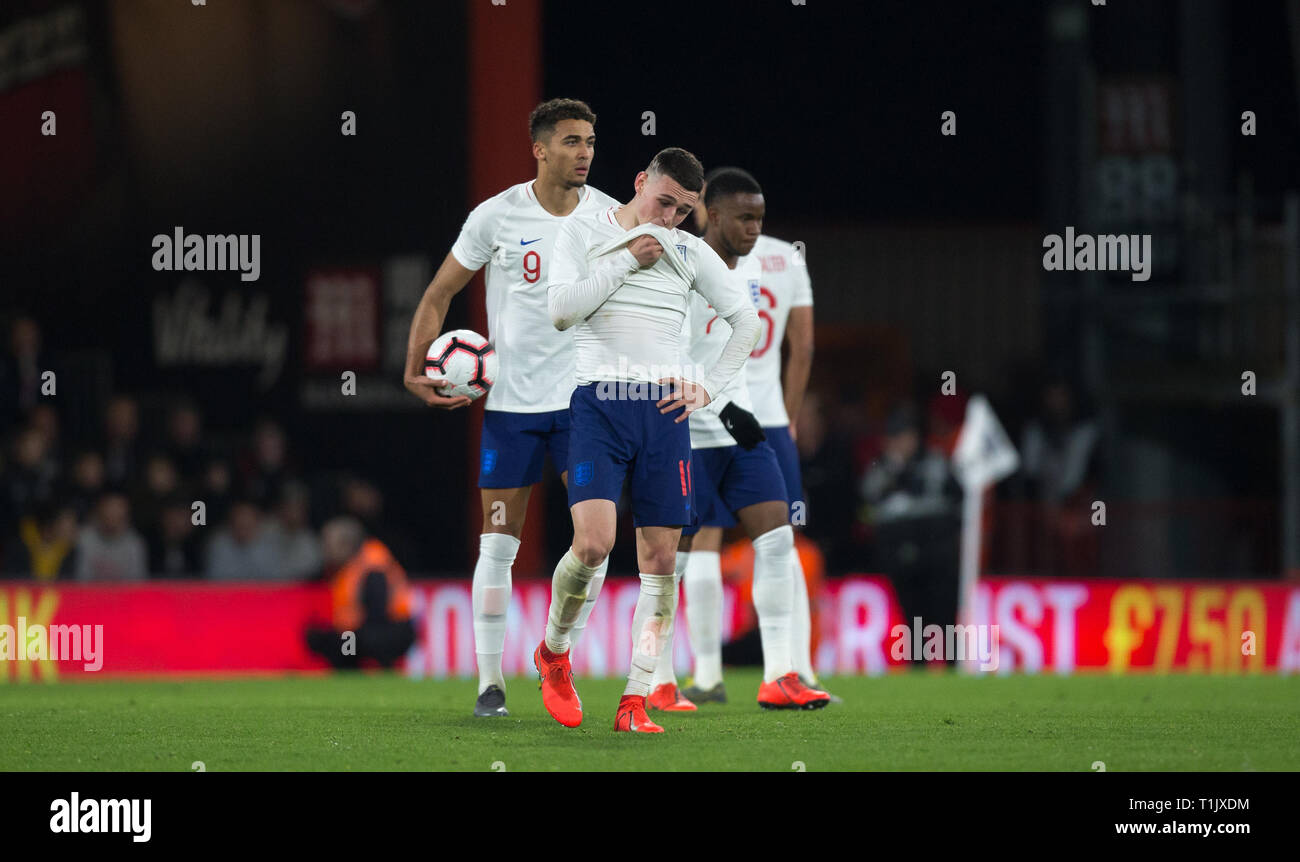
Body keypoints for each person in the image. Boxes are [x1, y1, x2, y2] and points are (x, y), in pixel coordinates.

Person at [401, 98, 618, 718]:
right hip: (513, 410)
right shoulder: (495, 217)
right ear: (540, 149)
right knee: (497, 547)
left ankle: (558, 652)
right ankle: (490, 686)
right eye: (572, 141)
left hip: (586, 408)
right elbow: (439, 292)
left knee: (596, 544)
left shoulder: (609, 216)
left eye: (590, 142)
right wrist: (413, 368)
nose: (584, 153)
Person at [533, 147, 761, 733]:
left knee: (662, 563)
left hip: (665, 412)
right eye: (664, 203)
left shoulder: (690, 251)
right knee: (592, 546)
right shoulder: (583, 233)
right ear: (640, 183)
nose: (670, 220)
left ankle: (635, 698)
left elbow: (747, 321)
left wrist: (708, 387)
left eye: (684, 211)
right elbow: (559, 311)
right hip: (599, 405)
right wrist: (626, 262)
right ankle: (555, 654)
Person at [651, 167, 828, 712]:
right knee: (669, 562)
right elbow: (666, 354)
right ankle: (659, 677)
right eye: (744, 218)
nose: (754, 229)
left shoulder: (746, 276)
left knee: (777, 538)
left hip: (744, 429)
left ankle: (780, 674)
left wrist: (742, 408)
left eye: (760, 219)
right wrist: (720, 404)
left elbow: (755, 349)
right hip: (688, 436)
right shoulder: (678, 265)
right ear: (714, 214)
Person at [305, 517, 415, 670]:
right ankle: (347, 665)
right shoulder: (350, 567)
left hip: (392, 632)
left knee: (345, 641)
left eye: (329, 544)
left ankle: (366, 667)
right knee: (321, 638)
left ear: (346, 544)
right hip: (370, 633)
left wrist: (341, 636)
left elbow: (377, 616)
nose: (326, 550)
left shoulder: (373, 568)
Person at [75, 491, 148, 581]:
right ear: (100, 510)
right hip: (90, 593)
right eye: (109, 508)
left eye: (118, 508)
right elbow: (80, 579)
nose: (113, 513)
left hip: (124, 594)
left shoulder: (134, 544)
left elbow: (138, 583)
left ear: (126, 513)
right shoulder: (85, 538)